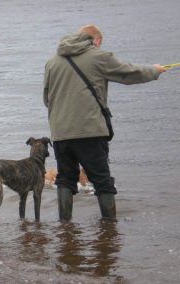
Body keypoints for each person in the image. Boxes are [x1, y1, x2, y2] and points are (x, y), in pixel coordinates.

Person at [43, 24, 166, 221]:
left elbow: (46, 98)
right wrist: (154, 70)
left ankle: (65, 226)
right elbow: (128, 73)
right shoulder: (98, 56)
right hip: (89, 130)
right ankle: (109, 226)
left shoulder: (52, 61)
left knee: (65, 179)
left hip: (60, 133)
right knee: (102, 180)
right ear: (97, 41)